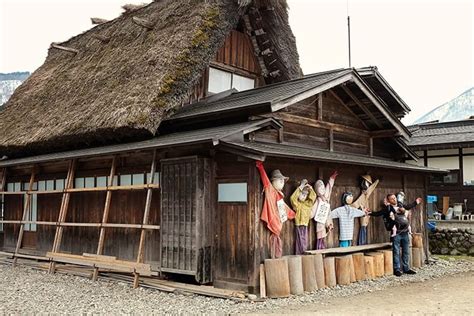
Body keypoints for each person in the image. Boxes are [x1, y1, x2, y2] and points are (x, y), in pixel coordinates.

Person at [371, 193, 422, 276]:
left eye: (394, 198)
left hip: (405, 231)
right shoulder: (388, 208)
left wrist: (415, 202)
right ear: (389, 201)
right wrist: (369, 212)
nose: (394, 199)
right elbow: (378, 213)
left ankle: (406, 268)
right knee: (396, 251)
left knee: (406, 251)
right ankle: (397, 269)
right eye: (392, 199)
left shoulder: (401, 205)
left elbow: (408, 206)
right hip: (396, 233)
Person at [256, 161, 295, 258]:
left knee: (277, 245)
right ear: (273, 181)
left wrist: (294, 214)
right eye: (280, 180)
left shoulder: (280, 195)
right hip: (273, 219)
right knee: (273, 245)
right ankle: (273, 256)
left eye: (283, 180)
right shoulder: (270, 190)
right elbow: (265, 180)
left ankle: (276, 256)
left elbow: (285, 209)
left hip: (279, 222)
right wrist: (260, 167)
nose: (282, 182)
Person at [311, 171, 338, 249]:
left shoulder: (326, 198)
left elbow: (329, 188)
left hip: (327, 217)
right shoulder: (318, 200)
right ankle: (320, 249)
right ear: (317, 190)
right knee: (320, 235)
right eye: (320, 188)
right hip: (320, 220)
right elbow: (312, 211)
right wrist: (307, 215)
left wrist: (331, 179)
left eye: (323, 188)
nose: (322, 189)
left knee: (327, 230)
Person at [290, 179, 317, 254]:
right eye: (302, 194)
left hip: (305, 224)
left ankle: (304, 253)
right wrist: (300, 188)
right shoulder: (297, 204)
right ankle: (298, 253)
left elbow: (313, 197)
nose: (303, 196)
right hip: (298, 224)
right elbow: (292, 198)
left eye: (305, 195)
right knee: (299, 241)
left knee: (304, 240)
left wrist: (311, 189)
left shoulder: (308, 204)